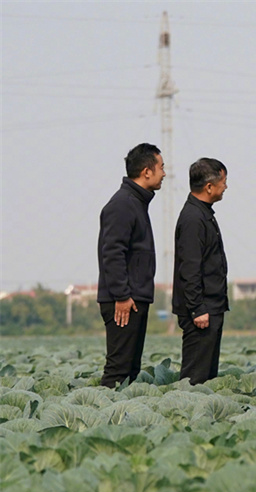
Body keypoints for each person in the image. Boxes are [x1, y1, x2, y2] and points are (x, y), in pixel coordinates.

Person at [97, 143, 164, 388]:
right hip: (124, 301)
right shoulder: (123, 204)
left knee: (130, 371)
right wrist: (122, 295)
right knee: (118, 371)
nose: (164, 173)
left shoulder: (136, 202)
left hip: (134, 297)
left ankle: (121, 423)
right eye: (161, 167)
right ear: (147, 171)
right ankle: (104, 420)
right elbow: (112, 253)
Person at [172, 158, 230, 385]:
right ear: (209, 187)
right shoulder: (193, 219)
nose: (225, 187)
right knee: (195, 378)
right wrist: (197, 309)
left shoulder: (202, 213)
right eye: (223, 181)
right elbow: (190, 268)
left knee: (207, 376)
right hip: (201, 311)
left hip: (210, 307)